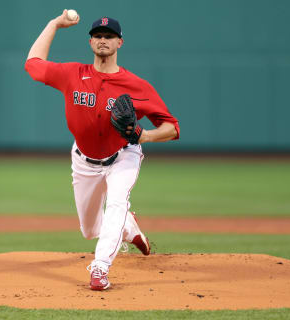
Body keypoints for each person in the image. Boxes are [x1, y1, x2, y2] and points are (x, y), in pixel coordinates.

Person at [25, 10, 180, 291]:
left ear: (120, 42)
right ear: (90, 42)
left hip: (123, 155)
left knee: (117, 203)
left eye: (109, 36)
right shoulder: (72, 74)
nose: (103, 39)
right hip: (84, 160)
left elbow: (172, 127)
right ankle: (128, 228)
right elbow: (33, 65)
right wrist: (54, 24)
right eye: (98, 35)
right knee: (90, 230)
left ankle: (100, 269)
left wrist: (144, 135)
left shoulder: (137, 86)